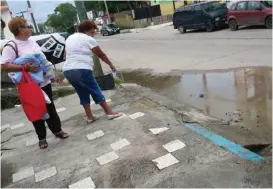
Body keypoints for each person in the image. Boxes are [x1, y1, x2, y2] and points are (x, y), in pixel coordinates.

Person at [1, 17, 69, 149]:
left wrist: (53, 73)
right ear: (20, 29)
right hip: (29, 85)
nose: (30, 28)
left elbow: (43, 60)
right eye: (27, 26)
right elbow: (4, 66)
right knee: (36, 109)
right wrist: (24, 68)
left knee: (50, 108)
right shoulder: (11, 46)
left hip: (44, 82)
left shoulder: (32, 42)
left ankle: (57, 130)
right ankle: (42, 138)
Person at [63, 20, 122, 123]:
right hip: (82, 69)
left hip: (68, 70)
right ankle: (109, 113)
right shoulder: (88, 39)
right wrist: (111, 64)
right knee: (95, 90)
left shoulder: (70, 38)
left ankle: (89, 117)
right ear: (89, 30)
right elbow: (101, 54)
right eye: (93, 30)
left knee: (82, 93)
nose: (94, 32)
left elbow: (66, 54)